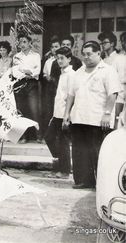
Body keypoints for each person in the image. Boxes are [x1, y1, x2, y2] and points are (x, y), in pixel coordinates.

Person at [62, 41, 121, 189]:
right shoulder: (78, 72)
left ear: (98, 53)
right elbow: (70, 95)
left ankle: (103, 184)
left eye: (89, 54)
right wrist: (66, 114)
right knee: (80, 151)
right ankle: (83, 180)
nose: (86, 57)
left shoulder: (108, 70)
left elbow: (112, 93)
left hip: (98, 119)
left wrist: (107, 114)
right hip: (79, 117)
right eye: (84, 54)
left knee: (98, 152)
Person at [44, 47, 74, 179]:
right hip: (57, 114)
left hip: (64, 114)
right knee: (49, 137)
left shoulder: (71, 74)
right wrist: (54, 116)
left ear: (69, 59)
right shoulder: (62, 74)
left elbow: (70, 96)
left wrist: (67, 116)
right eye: (58, 58)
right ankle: (60, 163)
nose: (60, 61)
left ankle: (65, 171)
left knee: (63, 142)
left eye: (62, 58)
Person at [12, 33, 41, 143]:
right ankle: (24, 136)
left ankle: (39, 135)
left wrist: (23, 70)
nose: (22, 44)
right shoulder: (16, 56)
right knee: (22, 110)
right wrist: (27, 71)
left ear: (30, 43)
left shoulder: (36, 56)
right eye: (20, 42)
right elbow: (15, 72)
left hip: (32, 84)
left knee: (34, 110)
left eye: (24, 42)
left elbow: (37, 71)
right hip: (20, 84)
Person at [41, 37, 61, 136]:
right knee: (49, 111)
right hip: (50, 89)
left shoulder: (63, 60)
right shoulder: (48, 61)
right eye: (52, 47)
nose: (54, 49)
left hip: (60, 88)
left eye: (56, 46)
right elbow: (44, 73)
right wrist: (47, 77)